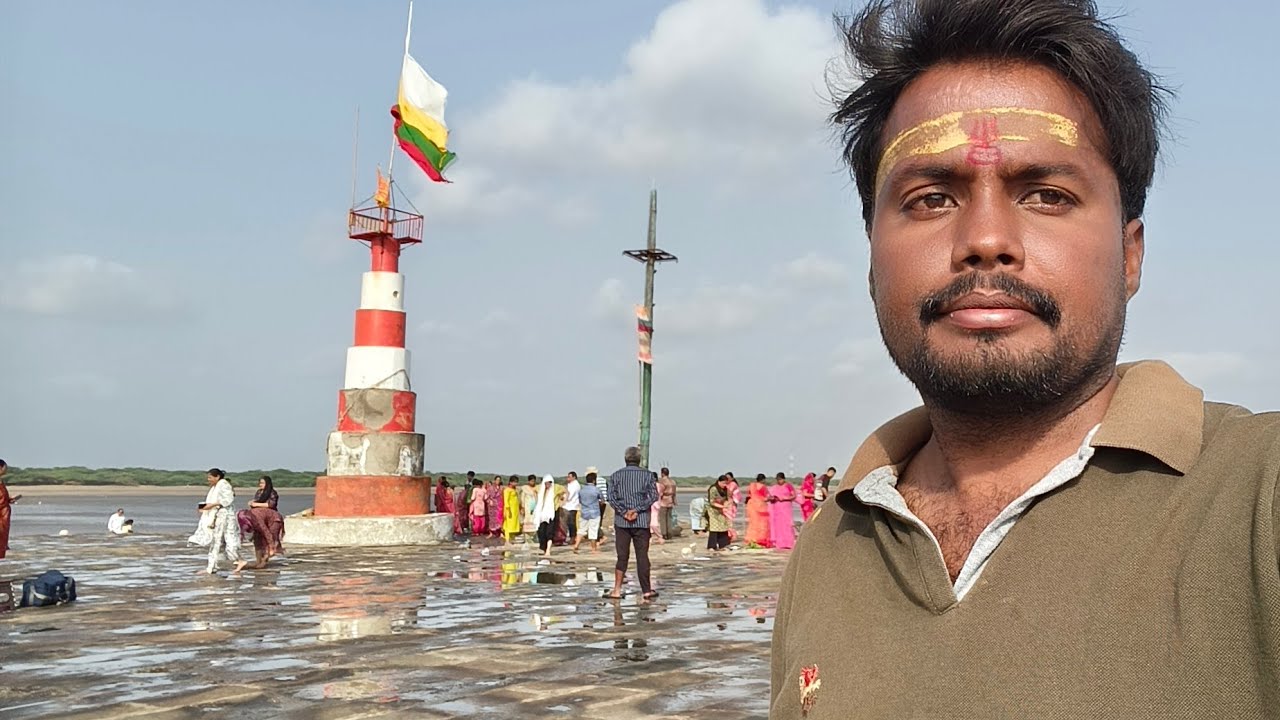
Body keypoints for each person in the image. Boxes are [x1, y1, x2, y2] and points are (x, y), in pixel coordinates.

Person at [770, 1, 1280, 717]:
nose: (984, 238)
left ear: (1131, 255)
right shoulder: (830, 542)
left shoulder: (1258, 498)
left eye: (1046, 194)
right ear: (871, 265)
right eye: (930, 197)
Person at [605, 446, 659, 600]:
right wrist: (636, 509)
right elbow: (653, 496)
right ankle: (646, 590)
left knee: (622, 556)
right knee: (642, 556)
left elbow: (611, 498)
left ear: (625, 459)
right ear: (639, 459)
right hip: (641, 521)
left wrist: (624, 511)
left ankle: (616, 590)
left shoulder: (616, 475)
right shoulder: (648, 475)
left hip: (622, 522)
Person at [192, 468, 240, 575]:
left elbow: (227, 500)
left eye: (210, 477)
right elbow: (213, 501)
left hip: (225, 517)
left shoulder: (223, 484)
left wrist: (212, 505)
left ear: (217, 477)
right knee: (216, 541)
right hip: (218, 516)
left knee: (225, 541)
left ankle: (238, 561)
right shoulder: (215, 487)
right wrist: (205, 507)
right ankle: (212, 566)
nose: (208, 480)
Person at [233, 475, 284, 574]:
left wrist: (256, 504)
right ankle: (258, 561)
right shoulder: (258, 492)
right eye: (259, 483)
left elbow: (271, 505)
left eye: (262, 483)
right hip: (258, 515)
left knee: (269, 539)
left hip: (272, 519)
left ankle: (264, 560)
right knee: (257, 539)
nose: (260, 485)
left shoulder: (272, 492)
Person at [766, 473, 796, 551]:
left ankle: (788, 543)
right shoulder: (774, 487)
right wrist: (772, 498)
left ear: (784, 479)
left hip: (786, 507)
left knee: (787, 524)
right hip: (777, 508)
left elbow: (793, 496)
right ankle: (779, 543)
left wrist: (784, 498)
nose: (779, 481)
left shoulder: (788, 486)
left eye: (780, 479)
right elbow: (769, 496)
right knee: (778, 525)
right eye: (778, 480)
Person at [574, 473, 603, 553]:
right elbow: (602, 501)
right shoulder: (596, 490)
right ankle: (593, 549)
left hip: (584, 512)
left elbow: (579, 500)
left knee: (581, 530)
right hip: (594, 512)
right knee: (593, 531)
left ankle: (576, 545)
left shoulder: (582, 490)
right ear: (594, 480)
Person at [0, 460, 21, 559]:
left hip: (4, 516)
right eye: (5, 467)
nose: (6, 470)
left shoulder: (1, 481)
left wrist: (9, 499)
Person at [745, 473, 772, 548]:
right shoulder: (763, 487)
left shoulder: (751, 485)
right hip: (760, 505)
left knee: (753, 523)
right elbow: (766, 497)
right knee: (762, 523)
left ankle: (752, 539)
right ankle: (760, 540)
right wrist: (772, 499)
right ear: (763, 479)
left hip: (752, 505)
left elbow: (749, 495)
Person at [705, 475, 731, 551]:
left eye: (726, 483)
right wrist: (722, 507)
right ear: (719, 482)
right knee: (714, 527)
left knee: (723, 525)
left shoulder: (725, 489)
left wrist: (727, 504)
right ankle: (712, 546)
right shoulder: (713, 489)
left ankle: (723, 544)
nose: (724, 485)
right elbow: (712, 502)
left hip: (721, 510)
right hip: (713, 510)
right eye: (723, 483)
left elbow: (726, 499)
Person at [533, 475, 558, 557]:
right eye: (547, 483)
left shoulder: (555, 489)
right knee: (541, 532)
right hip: (542, 515)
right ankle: (544, 549)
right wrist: (537, 502)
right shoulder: (541, 490)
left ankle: (548, 550)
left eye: (550, 483)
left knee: (549, 533)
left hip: (550, 514)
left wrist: (560, 503)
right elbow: (534, 491)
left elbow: (565, 491)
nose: (548, 485)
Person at [657, 467, 677, 539]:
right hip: (670, 500)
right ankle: (669, 533)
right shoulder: (673, 481)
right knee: (669, 518)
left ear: (662, 473)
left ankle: (664, 533)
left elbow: (660, 492)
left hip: (664, 500)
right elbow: (674, 493)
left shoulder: (662, 481)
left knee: (662, 518)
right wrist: (674, 501)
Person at [501, 476, 521, 546]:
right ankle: (507, 540)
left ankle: (511, 539)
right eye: (514, 482)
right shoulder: (507, 490)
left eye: (516, 482)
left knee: (514, 525)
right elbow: (506, 501)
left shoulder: (514, 490)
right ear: (510, 482)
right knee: (508, 526)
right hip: (509, 510)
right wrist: (508, 509)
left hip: (515, 510)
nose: (516, 483)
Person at [562, 471, 581, 541]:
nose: (568, 478)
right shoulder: (570, 484)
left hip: (572, 506)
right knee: (569, 523)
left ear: (574, 477)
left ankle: (573, 537)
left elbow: (569, 496)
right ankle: (571, 537)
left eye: (569, 477)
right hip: (568, 506)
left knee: (571, 523)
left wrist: (563, 498)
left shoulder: (575, 485)